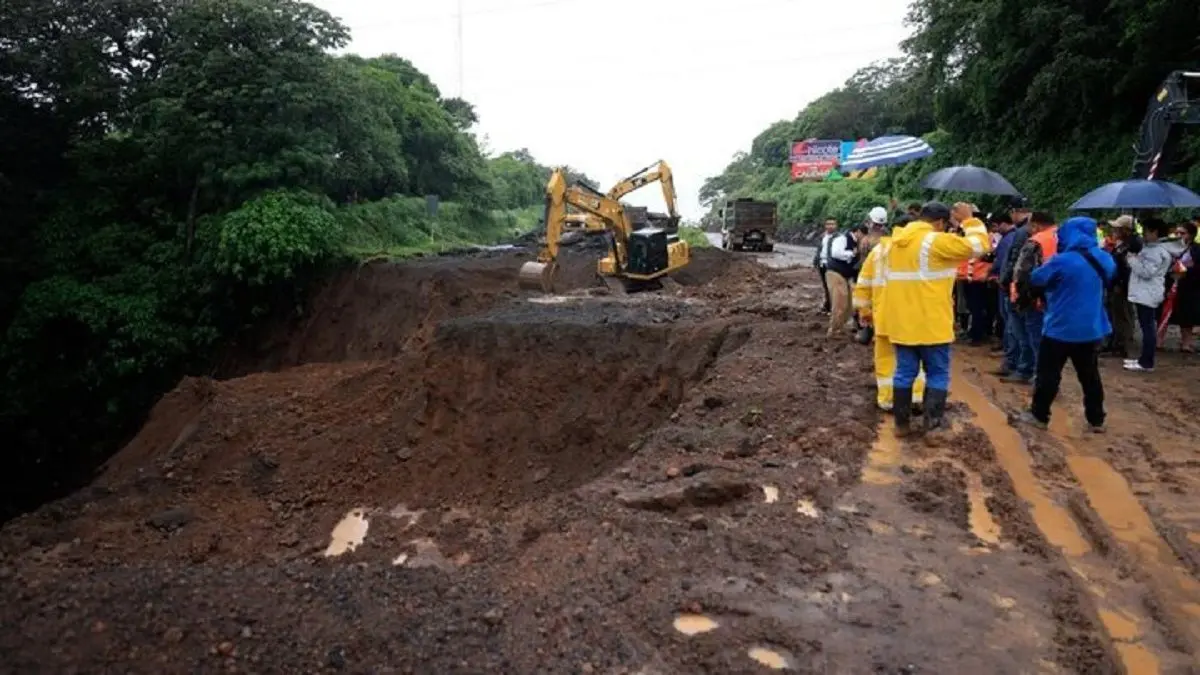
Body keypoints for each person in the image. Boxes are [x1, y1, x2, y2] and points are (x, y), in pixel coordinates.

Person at [882, 202, 990, 435]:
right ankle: (933, 427)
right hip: (932, 323)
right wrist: (969, 220)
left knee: (903, 372)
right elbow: (980, 246)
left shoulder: (896, 243)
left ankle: (901, 425)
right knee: (938, 373)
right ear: (940, 223)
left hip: (903, 324)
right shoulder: (935, 241)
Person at [1015, 217, 1115, 433]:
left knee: (1048, 374)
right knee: (1090, 376)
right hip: (1092, 327)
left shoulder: (1061, 261)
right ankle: (1096, 420)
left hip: (1060, 327)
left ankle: (1039, 415)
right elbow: (1111, 276)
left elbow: (1036, 279)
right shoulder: (1104, 258)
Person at [854, 217, 926, 412]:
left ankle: (887, 400)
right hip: (912, 316)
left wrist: (865, 312)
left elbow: (863, 285)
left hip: (883, 316)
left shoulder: (878, 252)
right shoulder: (921, 251)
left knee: (885, 359)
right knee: (914, 359)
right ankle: (916, 397)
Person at [1002, 212, 1058, 384]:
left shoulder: (1036, 241)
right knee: (1043, 339)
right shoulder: (1061, 238)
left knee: (1029, 337)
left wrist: (1020, 297)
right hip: (1052, 297)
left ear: (1036, 225)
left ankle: (1030, 372)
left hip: (1032, 299)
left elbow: (1023, 272)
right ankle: (1039, 373)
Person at [1125, 219, 1174, 372]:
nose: (1144, 234)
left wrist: (1132, 259)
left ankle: (1146, 362)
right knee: (1146, 325)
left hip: (1148, 292)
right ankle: (1144, 359)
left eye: (1147, 231)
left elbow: (1147, 272)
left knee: (1147, 327)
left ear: (1155, 233)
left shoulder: (1157, 251)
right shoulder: (1153, 249)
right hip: (1146, 291)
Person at [1104, 216, 1142, 358]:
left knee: (1122, 315)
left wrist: (1121, 283)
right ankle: (1116, 342)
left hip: (1123, 285)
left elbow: (1127, 268)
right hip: (1118, 283)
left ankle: (1122, 345)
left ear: (1125, 229)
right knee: (1116, 314)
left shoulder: (1133, 244)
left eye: (1117, 228)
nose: (1114, 230)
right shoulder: (1125, 243)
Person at [826, 223, 868, 337]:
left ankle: (840, 327)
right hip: (836, 272)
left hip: (845, 275)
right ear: (858, 232)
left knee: (848, 304)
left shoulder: (855, 242)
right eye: (864, 235)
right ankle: (834, 330)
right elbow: (835, 253)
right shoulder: (843, 239)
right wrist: (851, 253)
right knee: (840, 302)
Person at [1169, 222, 1200, 352]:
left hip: (1192, 286)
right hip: (1176, 285)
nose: (1179, 236)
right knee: (1181, 314)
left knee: (1190, 314)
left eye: (1182, 233)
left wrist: (1188, 269)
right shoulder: (1172, 248)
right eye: (1177, 233)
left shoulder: (1197, 249)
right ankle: (1184, 341)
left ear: (1191, 235)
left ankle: (1187, 342)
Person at [814, 219, 838, 313]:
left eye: (832, 224)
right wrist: (816, 261)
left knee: (832, 286)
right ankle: (828, 305)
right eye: (828, 224)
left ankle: (832, 307)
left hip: (831, 264)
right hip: (822, 264)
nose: (830, 226)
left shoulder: (838, 238)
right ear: (825, 225)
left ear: (836, 225)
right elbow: (819, 250)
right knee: (825, 286)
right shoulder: (822, 237)